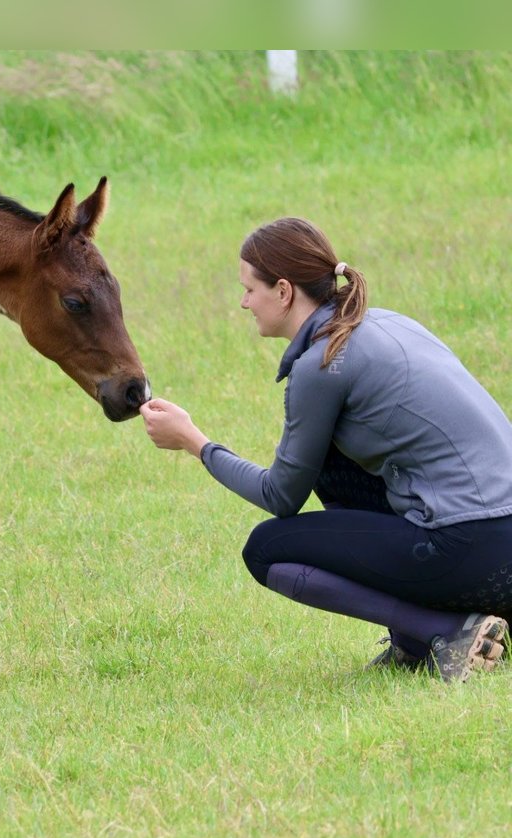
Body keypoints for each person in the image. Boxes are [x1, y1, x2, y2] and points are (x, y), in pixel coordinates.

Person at [140, 216, 511, 682]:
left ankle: (446, 632)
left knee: (266, 550)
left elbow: (280, 496)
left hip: (469, 547)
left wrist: (194, 442)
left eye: (249, 289)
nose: (243, 302)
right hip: (500, 547)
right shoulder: (385, 323)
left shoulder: (324, 362)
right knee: (330, 464)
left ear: (283, 290)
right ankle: (417, 640)